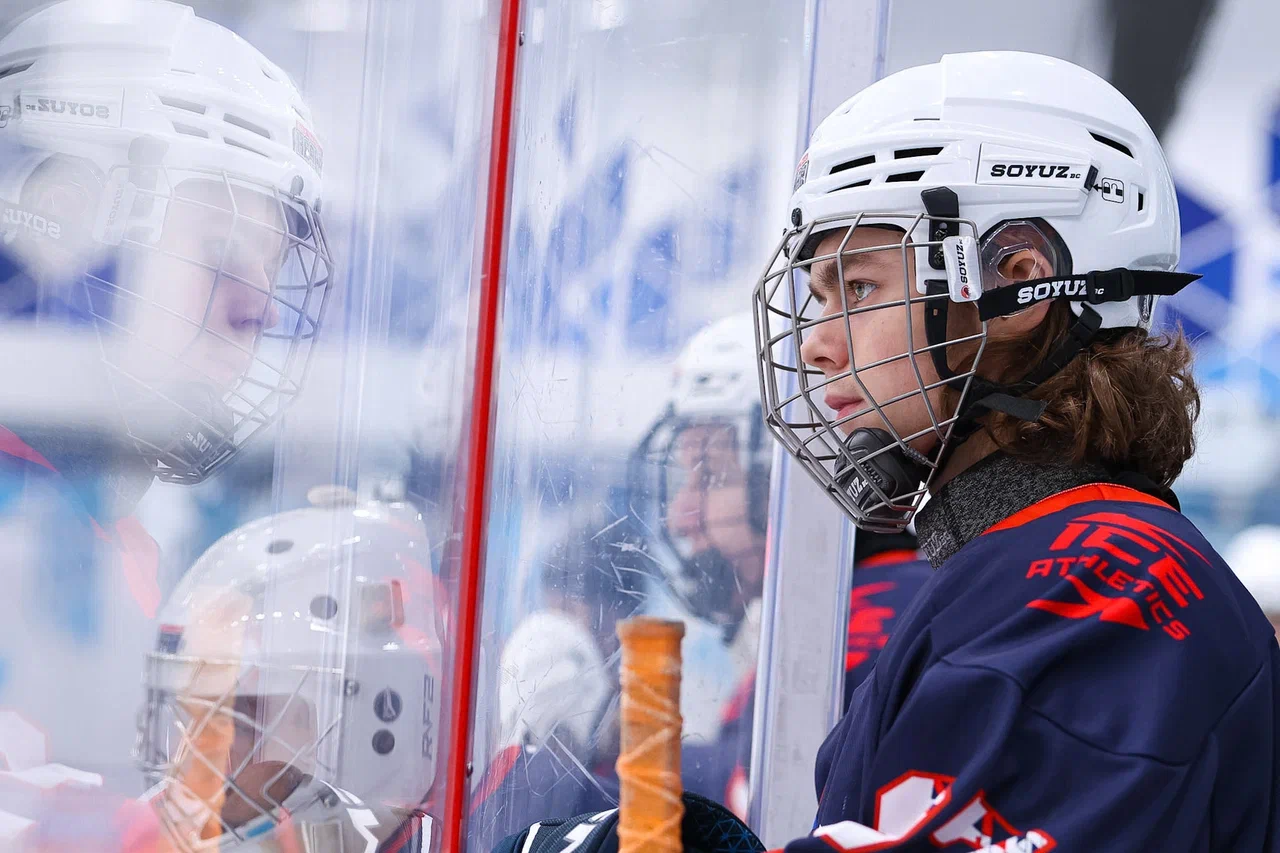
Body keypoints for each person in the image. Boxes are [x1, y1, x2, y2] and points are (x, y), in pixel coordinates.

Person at [497, 50, 1280, 853]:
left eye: (859, 288)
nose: (818, 347)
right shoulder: (1020, 565)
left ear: (1016, 281)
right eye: (817, 298)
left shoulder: (1106, 584)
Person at [0, 0, 331, 834]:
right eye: (222, 256)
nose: (256, 314)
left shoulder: (121, 536)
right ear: (63, 228)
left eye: (269, 270)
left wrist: (236, 795)